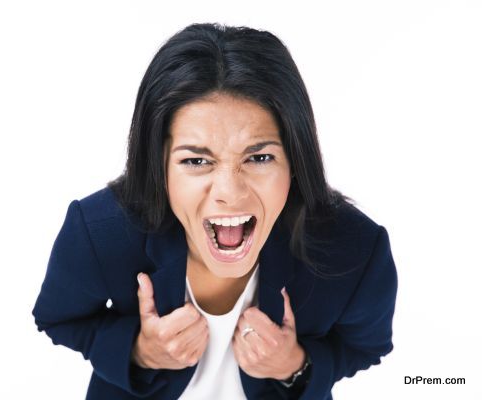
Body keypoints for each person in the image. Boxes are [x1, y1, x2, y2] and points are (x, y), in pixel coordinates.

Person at [31, 22, 398, 400]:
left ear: (295, 161)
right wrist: (140, 351)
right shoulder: (100, 231)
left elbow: (367, 346)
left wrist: (295, 365)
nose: (229, 193)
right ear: (160, 167)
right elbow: (58, 319)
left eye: (259, 157)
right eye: (195, 161)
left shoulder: (356, 249)